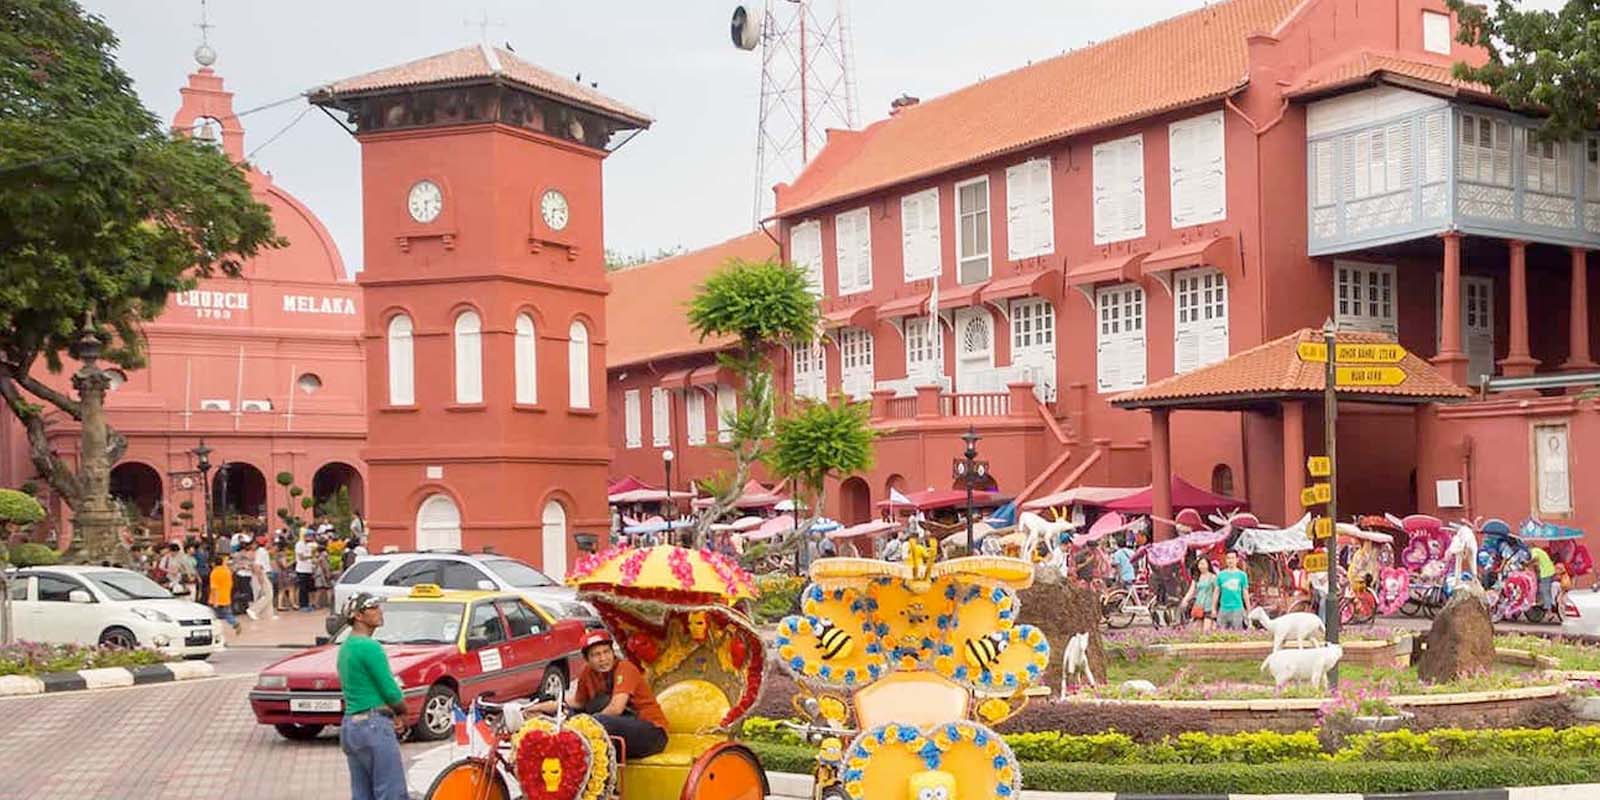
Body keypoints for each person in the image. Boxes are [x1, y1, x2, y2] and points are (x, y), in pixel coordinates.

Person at [530, 630, 668, 759]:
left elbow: (616, 708)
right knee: (573, 714)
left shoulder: (625, 668)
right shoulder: (587, 673)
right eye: (596, 655)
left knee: (597, 722)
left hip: (652, 732)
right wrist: (540, 707)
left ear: (613, 652)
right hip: (620, 726)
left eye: (606, 652)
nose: (603, 658)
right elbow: (577, 702)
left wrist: (586, 724)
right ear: (587, 659)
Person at [337, 594, 410, 800]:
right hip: (373, 726)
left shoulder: (346, 647)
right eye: (373, 607)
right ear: (358, 616)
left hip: (351, 727)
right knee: (391, 793)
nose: (379, 611)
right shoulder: (370, 647)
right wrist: (402, 712)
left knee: (362, 794)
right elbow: (390, 691)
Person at [1215, 552, 1251, 630]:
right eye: (1228, 558)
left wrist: (1249, 609)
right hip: (1223, 608)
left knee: (1237, 632)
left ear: (1237, 560)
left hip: (1237, 608)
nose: (1230, 560)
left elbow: (1245, 593)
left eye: (1232, 558)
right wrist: (1213, 608)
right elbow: (1216, 592)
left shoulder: (1242, 575)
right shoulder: (1220, 575)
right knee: (1220, 631)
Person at [1182, 558, 1219, 633]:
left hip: (1209, 606)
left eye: (1203, 564)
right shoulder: (1197, 578)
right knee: (1197, 630)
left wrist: (1214, 607)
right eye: (1200, 564)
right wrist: (1185, 600)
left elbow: (1216, 592)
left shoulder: (1213, 577)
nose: (1201, 566)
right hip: (1198, 606)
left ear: (1208, 565)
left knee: (1206, 630)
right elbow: (1191, 591)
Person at [209, 553, 240, 634]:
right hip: (226, 597)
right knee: (227, 614)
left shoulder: (214, 573)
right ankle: (234, 622)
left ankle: (215, 631)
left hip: (217, 599)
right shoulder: (227, 571)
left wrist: (215, 602)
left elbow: (214, 588)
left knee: (213, 616)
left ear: (213, 563)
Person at [1531, 545, 1558, 612]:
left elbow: (1535, 559)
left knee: (1544, 590)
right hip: (1550, 571)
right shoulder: (1540, 551)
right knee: (1542, 588)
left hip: (1546, 573)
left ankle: (1549, 610)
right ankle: (1543, 603)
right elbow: (1537, 564)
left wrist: (1528, 563)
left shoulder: (1534, 550)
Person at [294, 530, 316, 611]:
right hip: (301, 569)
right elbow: (301, 557)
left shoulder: (309, 545)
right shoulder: (299, 544)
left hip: (308, 569)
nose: (312, 538)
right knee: (302, 588)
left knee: (307, 588)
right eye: (311, 536)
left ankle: (306, 604)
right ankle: (302, 605)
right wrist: (311, 556)